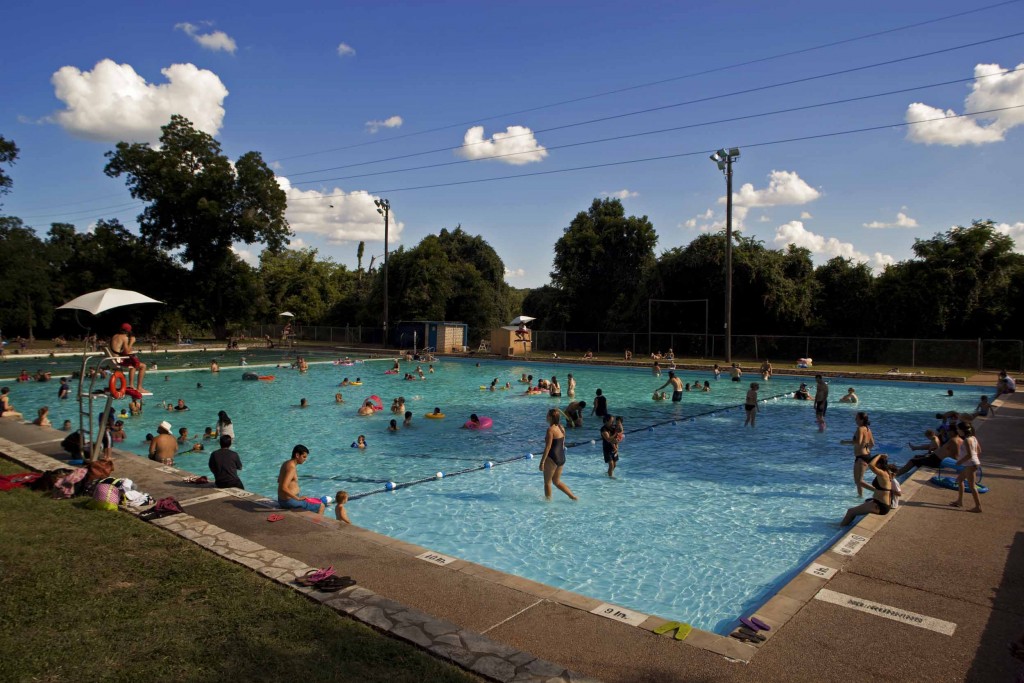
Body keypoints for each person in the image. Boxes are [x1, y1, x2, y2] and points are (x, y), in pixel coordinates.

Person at [839, 454, 894, 526]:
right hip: (880, 503)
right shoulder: (886, 472)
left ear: (879, 464)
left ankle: (840, 527)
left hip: (880, 506)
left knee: (850, 511)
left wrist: (879, 455)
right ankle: (844, 524)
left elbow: (871, 465)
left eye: (876, 464)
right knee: (864, 503)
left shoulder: (883, 474)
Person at [539, 408, 577, 500]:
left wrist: (542, 462)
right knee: (556, 481)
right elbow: (563, 443)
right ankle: (573, 497)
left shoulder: (550, 430)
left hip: (552, 457)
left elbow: (548, 447)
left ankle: (548, 503)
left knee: (547, 482)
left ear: (551, 417)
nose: (546, 416)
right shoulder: (561, 427)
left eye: (547, 415)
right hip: (561, 457)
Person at [277, 445, 324, 514]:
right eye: (304, 457)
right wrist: (297, 498)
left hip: (282, 500)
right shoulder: (291, 468)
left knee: (308, 502)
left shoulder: (286, 463)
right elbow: (283, 487)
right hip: (289, 502)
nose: (305, 459)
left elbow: (279, 480)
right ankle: (317, 525)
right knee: (321, 506)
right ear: (297, 455)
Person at [949, 421, 983, 513]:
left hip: (970, 465)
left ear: (962, 430)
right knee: (959, 480)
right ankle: (959, 501)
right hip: (972, 464)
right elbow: (979, 450)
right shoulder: (973, 438)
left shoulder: (967, 440)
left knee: (972, 486)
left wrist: (959, 462)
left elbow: (969, 454)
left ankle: (978, 507)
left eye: (958, 429)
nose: (957, 431)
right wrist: (975, 460)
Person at [841, 412, 875, 497]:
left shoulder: (860, 429)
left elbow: (858, 442)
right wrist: (866, 450)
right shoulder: (868, 429)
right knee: (859, 481)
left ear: (862, 420)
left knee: (859, 481)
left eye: (857, 418)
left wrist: (845, 442)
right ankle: (860, 497)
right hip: (866, 456)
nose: (855, 420)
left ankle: (878, 491)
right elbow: (872, 443)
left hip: (861, 458)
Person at [110, 323, 147, 392]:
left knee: (133, 363)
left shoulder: (114, 336)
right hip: (119, 360)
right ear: (128, 331)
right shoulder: (124, 337)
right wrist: (132, 342)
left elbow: (118, 350)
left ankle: (131, 385)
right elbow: (127, 352)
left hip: (113, 359)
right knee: (143, 366)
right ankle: (139, 387)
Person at [600, 414, 618, 478]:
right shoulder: (603, 429)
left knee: (614, 465)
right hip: (607, 449)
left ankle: (608, 473)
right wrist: (616, 433)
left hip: (614, 448)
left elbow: (616, 438)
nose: (612, 423)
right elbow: (608, 439)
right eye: (611, 421)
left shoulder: (613, 428)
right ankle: (610, 478)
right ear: (606, 421)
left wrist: (616, 447)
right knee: (611, 464)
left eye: (613, 421)